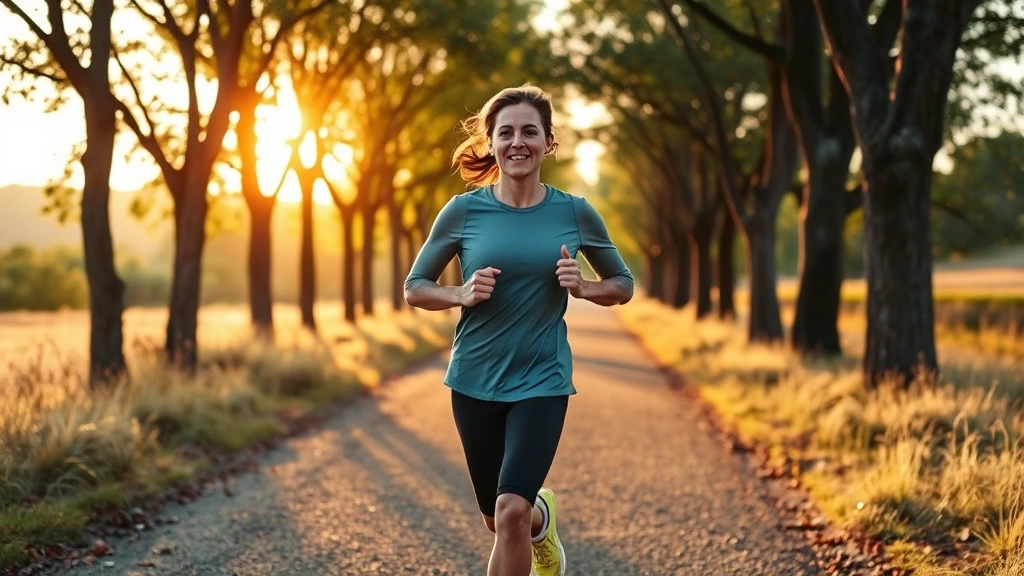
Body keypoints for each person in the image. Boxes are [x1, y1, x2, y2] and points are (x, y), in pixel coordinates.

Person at [404, 85, 634, 576]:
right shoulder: (464, 211)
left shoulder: (574, 212)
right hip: (473, 381)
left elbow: (624, 284)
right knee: (499, 519)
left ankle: (529, 515)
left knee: (509, 512)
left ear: (548, 141)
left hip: (542, 381)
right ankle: (542, 519)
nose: (517, 142)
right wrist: (459, 294)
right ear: (491, 143)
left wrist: (586, 288)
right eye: (505, 133)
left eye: (530, 131)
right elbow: (415, 287)